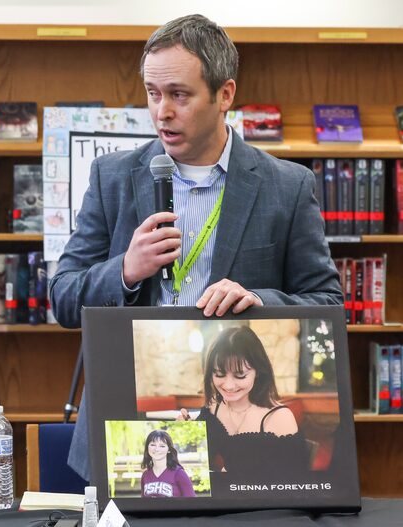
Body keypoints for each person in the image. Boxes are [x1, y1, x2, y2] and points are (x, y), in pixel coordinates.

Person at [50, 14, 343, 481]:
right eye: (152, 93)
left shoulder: (286, 186)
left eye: (179, 95)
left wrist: (260, 302)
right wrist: (125, 270)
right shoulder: (113, 179)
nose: (161, 111)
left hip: (235, 426)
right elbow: (62, 298)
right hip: (127, 426)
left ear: (224, 94)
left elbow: (329, 306)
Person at [180, 326, 310, 480]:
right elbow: (193, 467)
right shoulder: (214, 408)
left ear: (258, 372)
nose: (228, 386)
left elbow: (294, 483)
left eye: (240, 375)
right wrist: (185, 436)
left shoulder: (279, 417)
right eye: (219, 374)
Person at [140, 430, 196, 498]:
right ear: (147, 447)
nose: (157, 449)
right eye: (153, 445)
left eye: (162, 446)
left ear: (169, 449)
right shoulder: (145, 475)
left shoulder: (179, 473)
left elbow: (193, 503)